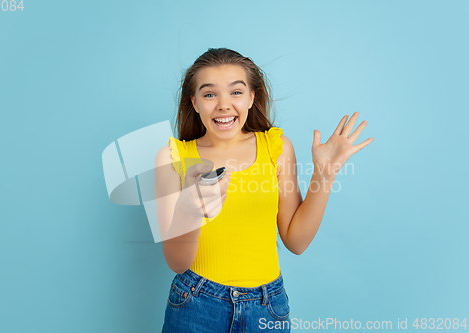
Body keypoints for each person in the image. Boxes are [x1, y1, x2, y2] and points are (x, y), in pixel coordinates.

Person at [154, 48, 373, 332]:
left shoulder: (277, 148)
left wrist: (324, 175)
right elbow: (177, 262)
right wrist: (190, 210)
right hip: (195, 305)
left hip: (266, 306)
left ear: (251, 97)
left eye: (236, 92)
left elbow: (296, 241)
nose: (223, 105)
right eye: (209, 94)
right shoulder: (171, 158)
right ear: (194, 102)